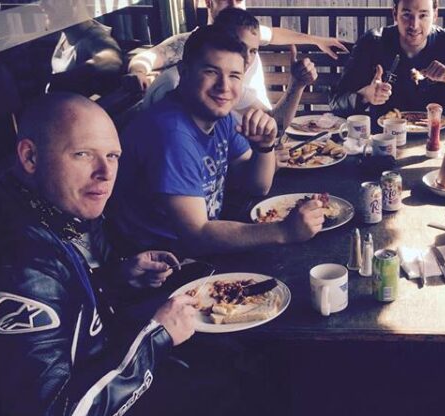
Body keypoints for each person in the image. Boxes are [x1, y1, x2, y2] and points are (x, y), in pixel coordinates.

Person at [0, 92, 298, 416]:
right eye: (82, 154)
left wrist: (112, 281)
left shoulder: (25, 210)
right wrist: (157, 334)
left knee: (251, 383)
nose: (105, 173)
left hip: (105, 412)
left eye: (112, 156)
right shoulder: (14, 261)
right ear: (30, 157)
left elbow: (57, 315)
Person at [110, 25, 324, 256]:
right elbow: (197, 236)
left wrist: (264, 147)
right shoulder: (170, 133)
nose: (224, 87)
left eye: (234, 76)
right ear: (184, 71)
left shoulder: (220, 117)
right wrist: (284, 232)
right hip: (158, 263)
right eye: (211, 72)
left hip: (197, 245)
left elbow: (256, 186)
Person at [127, 0, 344, 131]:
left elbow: (275, 33)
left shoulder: (247, 32)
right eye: (224, 0)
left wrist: (317, 40)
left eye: (238, 0)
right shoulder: (192, 51)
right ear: (209, 3)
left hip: (249, 135)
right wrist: (138, 71)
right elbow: (148, 57)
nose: (233, 5)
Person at [330, 0, 445, 123]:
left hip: (442, 139)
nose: (414, 25)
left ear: (435, 15)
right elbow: (336, 103)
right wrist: (364, 95)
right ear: (394, 13)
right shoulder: (373, 43)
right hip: (386, 139)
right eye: (406, 14)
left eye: (423, 15)